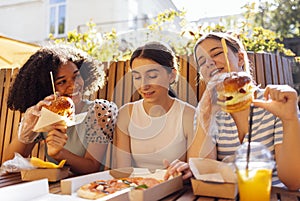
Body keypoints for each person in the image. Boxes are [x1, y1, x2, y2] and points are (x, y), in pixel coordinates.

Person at [189, 32, 300, 190]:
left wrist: (290, 120)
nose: (209, 63)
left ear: (240, 58)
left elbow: (294, 182)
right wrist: (205, 118)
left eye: (217, 53)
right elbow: (202, 173)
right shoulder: (207, 111)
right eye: (202, 61)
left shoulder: (276, 105)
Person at [4, 44, 118, 175]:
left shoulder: (99, 111)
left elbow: (92, 167)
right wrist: (26, 132)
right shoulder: (46, 115)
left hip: (91, 187)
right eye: (62, 82)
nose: (74, 85)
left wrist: (60, 153)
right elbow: (9, 162)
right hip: (53, 187)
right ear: (46, 88)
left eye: (77, 76)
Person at [112, 41, 195, 180]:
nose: (144, 85)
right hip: (136, 189)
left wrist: (186, 169)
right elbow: (123, 171)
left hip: (175, 189)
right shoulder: (126, 114)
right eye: (137, 77)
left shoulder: (189, 115)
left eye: (152, 76)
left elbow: (194, 169)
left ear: (172, 75)